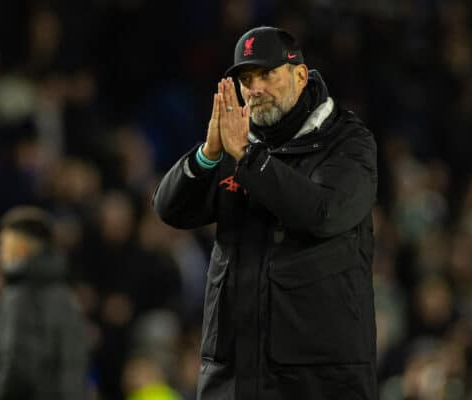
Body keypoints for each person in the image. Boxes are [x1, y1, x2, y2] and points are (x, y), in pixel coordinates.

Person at [153, 26, 378, 400]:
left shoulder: (347, 142)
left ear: (300, 75)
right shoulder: (235, 142)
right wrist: (208, 154)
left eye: (267, 74)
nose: (255, 88)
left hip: (320, 378)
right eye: (246, 78)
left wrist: (249, 158)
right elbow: (170, 209)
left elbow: (323, 213)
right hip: (235, 369)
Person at [0, 206, 88, 400]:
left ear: (21, 248)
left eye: (3, 246)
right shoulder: (66, 297)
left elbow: (14, 364)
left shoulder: (17, 297)